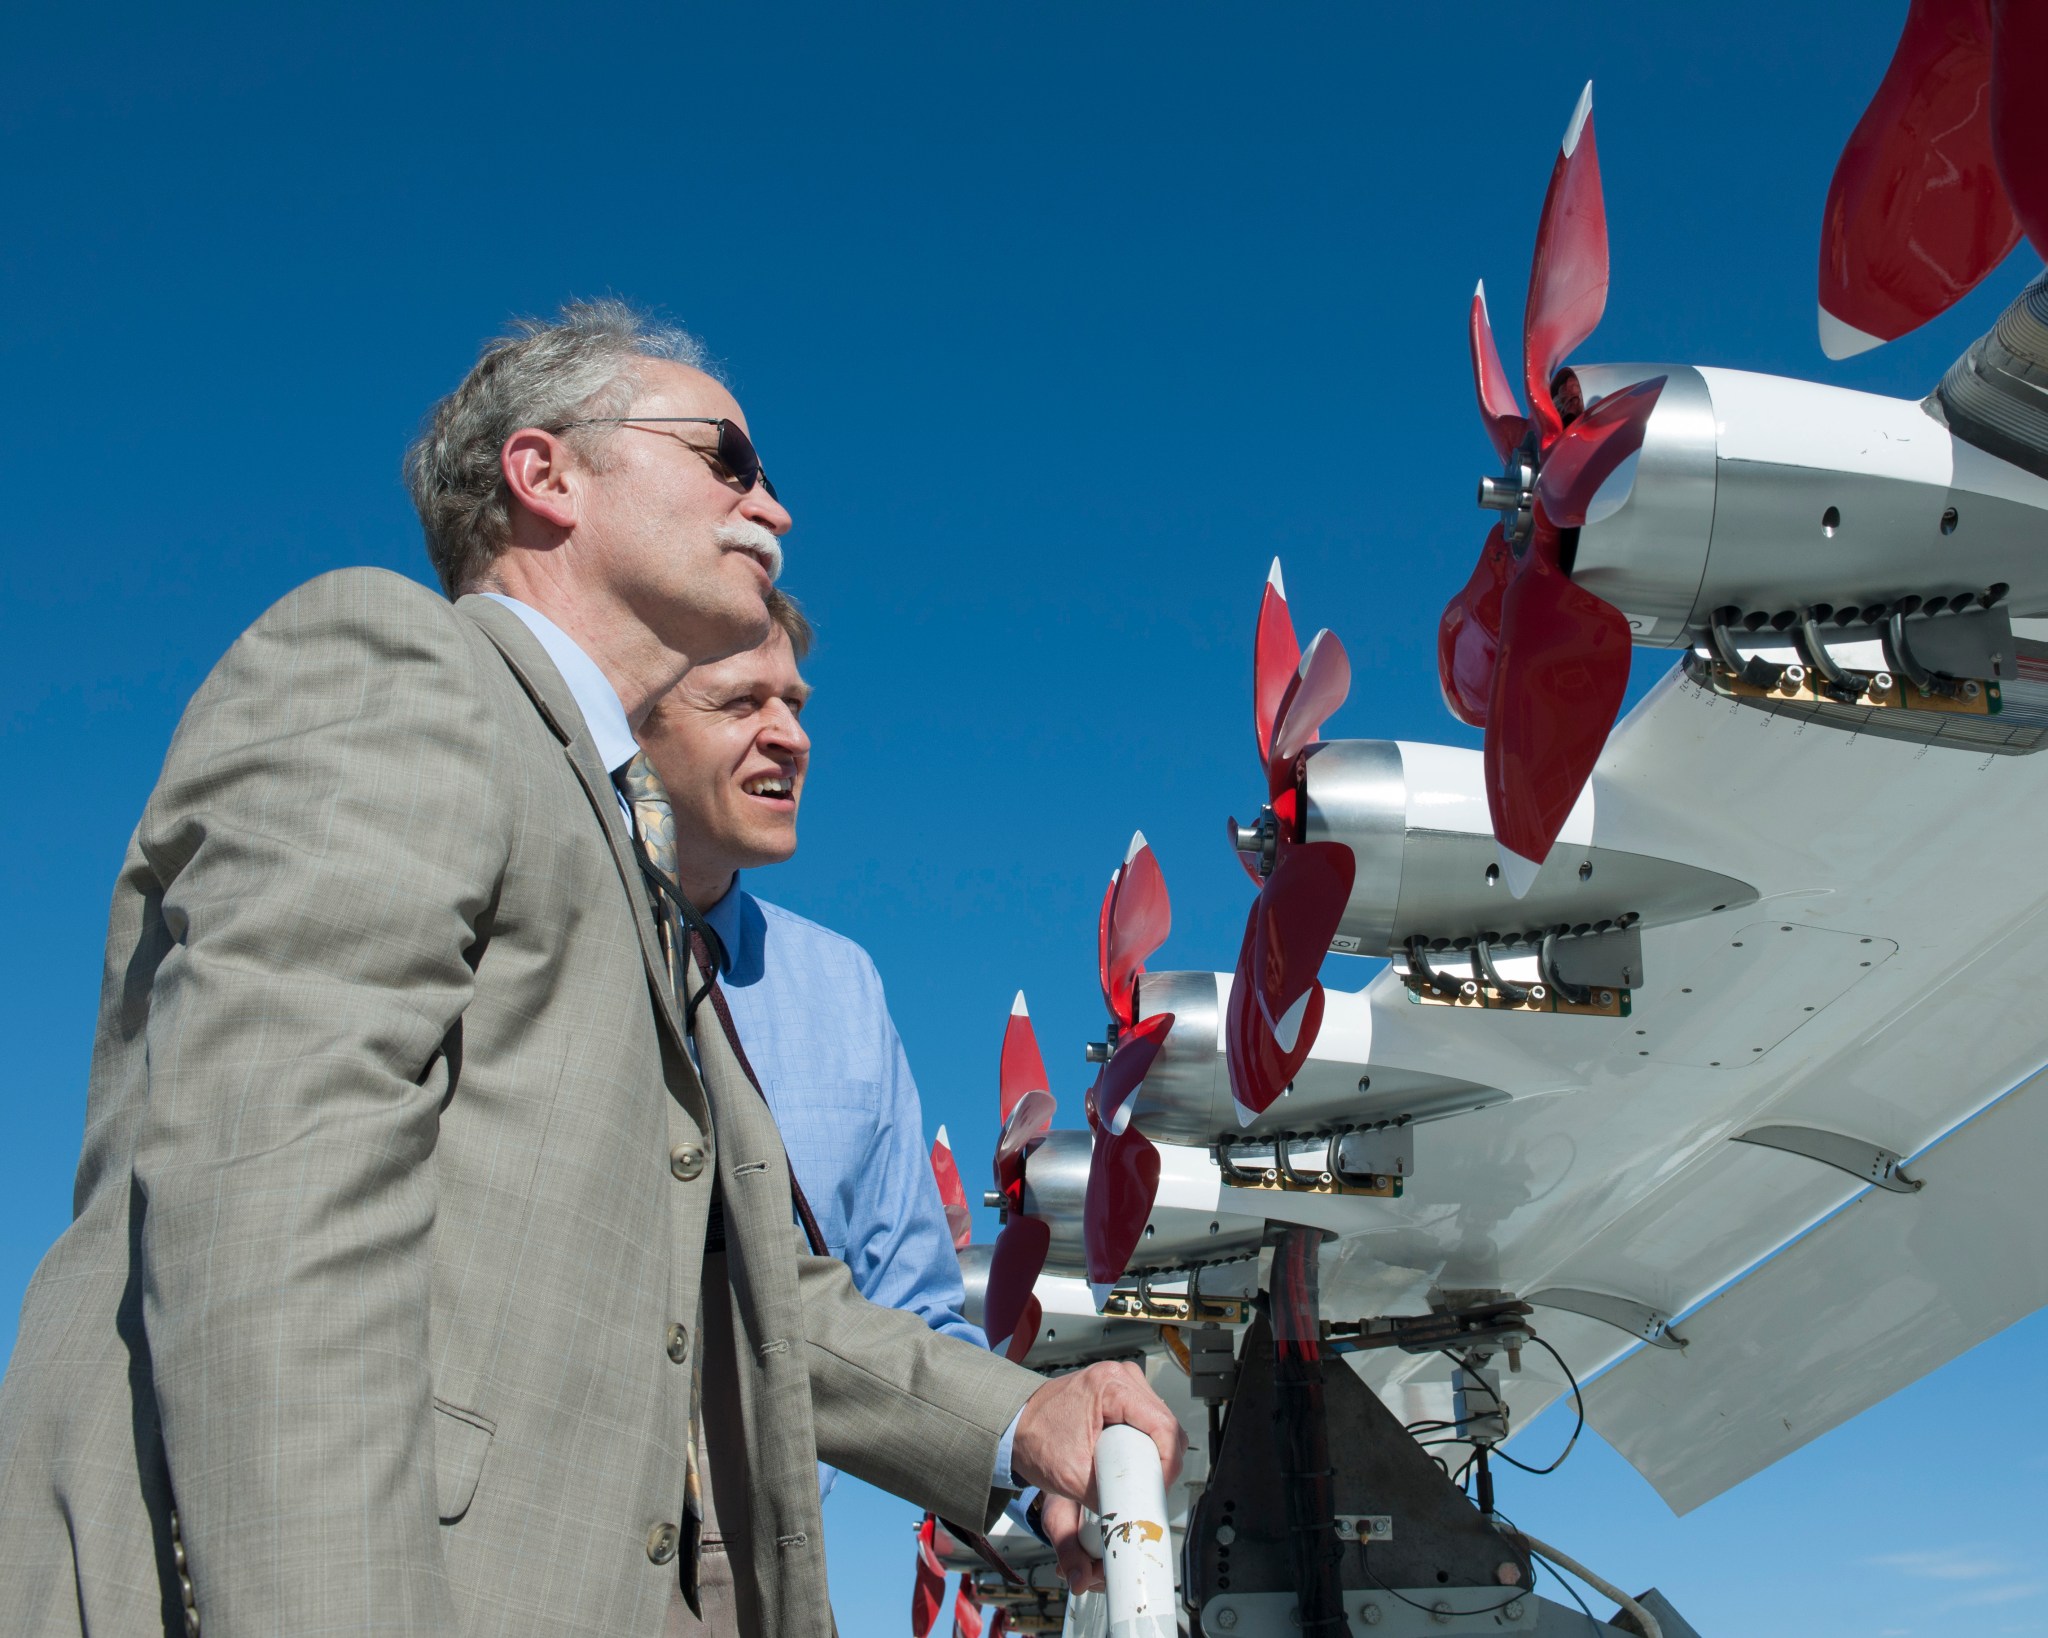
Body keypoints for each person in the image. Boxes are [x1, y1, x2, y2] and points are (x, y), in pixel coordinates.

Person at [0, 300, 1182, 1637]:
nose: (774, 507)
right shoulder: (400, 666)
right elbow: (275, 1199)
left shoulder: (631, 859)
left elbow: (750, 1285)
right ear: (544, 472)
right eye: (728, 458)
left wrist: (1017, 1414)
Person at [636, 588, 986, 1484]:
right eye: (743, 702)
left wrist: (1038, 1465)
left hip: (772, 1562)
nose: (791, 736)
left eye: (794, 704)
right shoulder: (524, 930)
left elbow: (911, 1311)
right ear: (633, 721)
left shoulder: (844, 986)